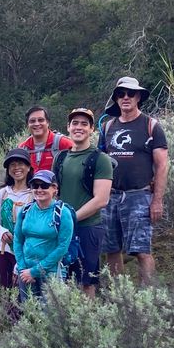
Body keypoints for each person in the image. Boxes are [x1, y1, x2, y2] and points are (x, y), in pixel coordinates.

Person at [98, 76, 169, 285]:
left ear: (138, 96)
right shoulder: (107, 127)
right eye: (121, 94)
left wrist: (157, 200)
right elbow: (100, 161)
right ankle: (121, 296)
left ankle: (148, 297)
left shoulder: (151, 126)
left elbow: (162, 165)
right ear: (116, 99)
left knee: (141, 250)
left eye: (130, 93)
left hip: (139, 195)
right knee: (111, 249)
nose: (125, 97)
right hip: (110, 197)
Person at [54, 107, 115, 296]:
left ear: (91, 130)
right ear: (68, 127)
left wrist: (71, 218)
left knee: (86, 281)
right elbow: (54, 192)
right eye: (75, 123)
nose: (78, 127)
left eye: (84, 124)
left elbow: (101, 199)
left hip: (88, 229)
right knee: (60, 278)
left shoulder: (101, 160)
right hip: (62, 229)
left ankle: (86, 321)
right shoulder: (60, 157)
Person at [13, 169, 75, 302]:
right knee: (29, 315)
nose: (39, 189)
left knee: (52, 317)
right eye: (35, 186)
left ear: (54, 189)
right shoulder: (25, 211)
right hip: (25, 272)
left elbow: (62, 247)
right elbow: (18, 240)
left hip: (52, 272)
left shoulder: (63, 213)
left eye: (44, 185)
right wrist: (23, 268)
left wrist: (35, 271)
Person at [0, 149, 34, 289]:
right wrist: (2, 232)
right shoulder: (3, 193)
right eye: (12, 165)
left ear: (28, 167)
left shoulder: (34, 194)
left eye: (20, 164)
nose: (16, 168)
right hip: (4, 250)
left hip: (27, 251)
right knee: (7, 290)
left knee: (25, 292)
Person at [18, 106, 73, 173]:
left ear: (48, 122)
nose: (37, 124)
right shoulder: (23, 148)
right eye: (32, 121)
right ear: (27, 125)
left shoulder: (63, 143)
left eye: (41, 120)